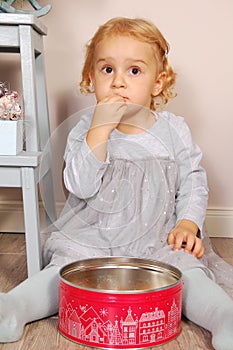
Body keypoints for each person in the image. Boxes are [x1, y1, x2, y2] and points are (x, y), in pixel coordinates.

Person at [0, 17, 233, 350]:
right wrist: (100, 132)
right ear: (90, 77)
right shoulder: (85, 128)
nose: (119, 82)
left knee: (187, 271)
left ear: (158, 81)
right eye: (107, 70)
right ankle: (15, 308)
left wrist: (187, 223)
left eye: (134, 71)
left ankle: (224, 317)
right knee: (63, 271)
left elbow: (193, 180)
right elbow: (79, 185)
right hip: (94, 235)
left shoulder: (172, 130)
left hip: (156, 236)